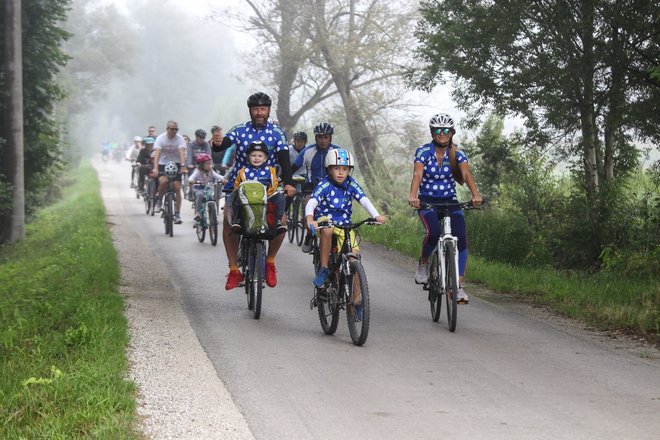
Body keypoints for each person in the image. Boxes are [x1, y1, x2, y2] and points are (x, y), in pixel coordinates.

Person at [212, 92, 296, 290]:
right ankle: (234, 270)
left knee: (282, 222)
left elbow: (285, 160)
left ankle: (270, 262)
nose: (259, 113)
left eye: (263, 109)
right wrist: (217, 143)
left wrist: (289, 183)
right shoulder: (240, 130)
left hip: (268, 185)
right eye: (256, 109)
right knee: (229, 221)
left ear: (268, 110)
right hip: (239, 184)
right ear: (250, 111)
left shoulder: (277, 133)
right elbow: (222, 145)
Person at [407, 113, 482, 304]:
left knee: (461, 238)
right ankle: (424, 263)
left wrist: (475, 194)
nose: (442, 134)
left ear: (452, 132)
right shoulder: (423, 151)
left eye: (446, 130)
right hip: (427, 201)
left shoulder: (458, 154)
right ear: (432, 133)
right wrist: (413, 196)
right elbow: (417, 174)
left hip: (450, 200)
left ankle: (458, 286)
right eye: (438, 130)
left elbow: (466, 173)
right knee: (433, 232)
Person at [305, 148, 386, 287]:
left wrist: (376, 215)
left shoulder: (351, 183)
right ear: (329, 169)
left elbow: (364, 199)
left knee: (354, 256)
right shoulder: (324, 184)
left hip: (344, 224)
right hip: (325, 221)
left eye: (345, 169)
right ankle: (324, 269)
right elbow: (312, 201)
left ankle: (357, 300)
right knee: (328, 230)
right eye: (337, 168)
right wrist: (310, 218)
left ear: (349, 170)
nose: (341, 172)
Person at [292, 122, 341, 253]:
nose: (322, 140)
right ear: (315, 138)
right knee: (310, 207)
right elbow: (293, 167)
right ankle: (309, 234)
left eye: (325, 137)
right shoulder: (308, 151)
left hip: (332, 187)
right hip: (311, 187)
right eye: (320, 137)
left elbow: (345, 169)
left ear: (330, 138)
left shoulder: (337, 151)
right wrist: (284, 179)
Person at [230, 141, 286, 234]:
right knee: (235, 194)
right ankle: (238, 220)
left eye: (260, 156)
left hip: (266, 198)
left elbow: (274, 185)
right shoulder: (243, 171)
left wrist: (266, 194)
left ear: (265, 158)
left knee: (281, 197)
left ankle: (278, 221)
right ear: (248, 157)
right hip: (246, 199)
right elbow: (237, 185)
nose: (256, 158)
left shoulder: (271, 171)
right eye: (253, 155)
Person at [151, 120, 188, 224]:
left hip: (176, 163)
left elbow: (181, 153)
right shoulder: (161, 138)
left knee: (177, 187)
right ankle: (159, 201)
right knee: (163, 181)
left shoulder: (180, 139)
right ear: (167, 129)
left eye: (176, 129)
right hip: (163, 163)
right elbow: (157, 154)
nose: (174, 131)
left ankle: (177, 214)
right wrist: (156, 168)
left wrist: (183, 166)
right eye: (172, 129)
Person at [188, 153, 224, 222]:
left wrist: (224, 179)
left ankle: (212, 213)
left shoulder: (211, 171)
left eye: (210, 163)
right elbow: (191, 178)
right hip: (198, 188)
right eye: (207, 164)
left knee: (212, 196)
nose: (209, 165)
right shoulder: (197, 171)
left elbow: (218, 176)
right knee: (200, 195)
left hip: (208, 189)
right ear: (201, 164)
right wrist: (192, 180)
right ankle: (197, 213)